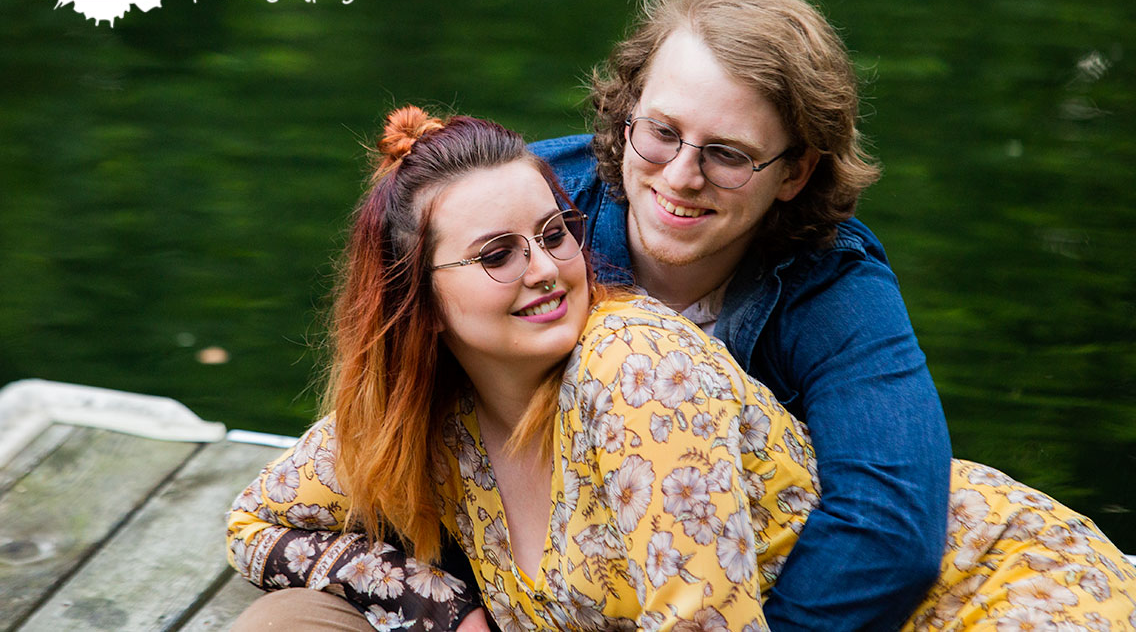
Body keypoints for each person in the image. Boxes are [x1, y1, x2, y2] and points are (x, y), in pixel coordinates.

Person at [226, 107, 1136, 632]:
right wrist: (445, 608)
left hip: (988, 598)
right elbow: (258, 518)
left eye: (555, 234)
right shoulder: (431, 420)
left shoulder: (635, 369)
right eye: (497, 253)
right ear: (415, 299)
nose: (545, 268)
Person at [527, 0, 950, 629]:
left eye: (726, 154)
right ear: (627, 111)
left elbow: (890, 526)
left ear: (795, 171)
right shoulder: (528, 204)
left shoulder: (833, 284)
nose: (682, 175)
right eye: (662, 131)